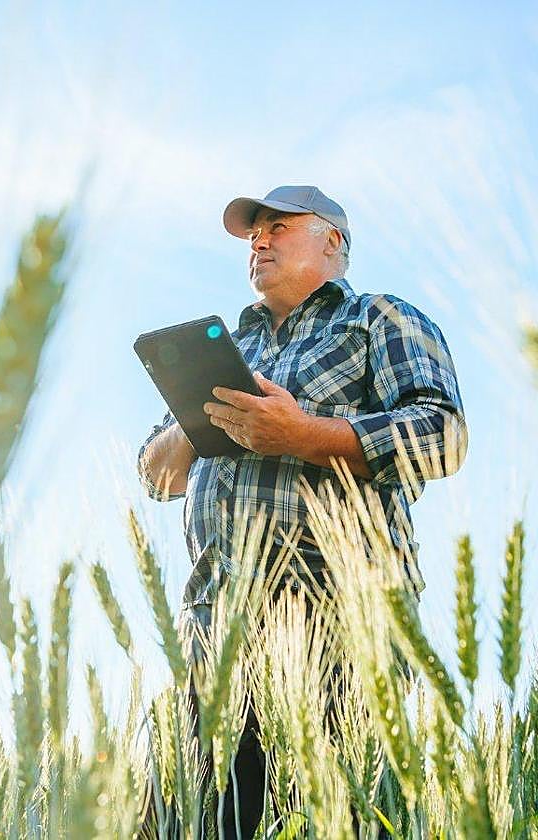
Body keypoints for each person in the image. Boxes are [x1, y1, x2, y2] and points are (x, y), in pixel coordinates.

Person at [135, 185, 467, 838]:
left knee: (329, 822)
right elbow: (155, 475)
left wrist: (302, 434)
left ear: (332, 242)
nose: (259, 240)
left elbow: (442, 434)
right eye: (253, 233)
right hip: (213, 637)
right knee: (186, 824)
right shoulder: (229, 348)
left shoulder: (379, 319)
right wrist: (198, 418)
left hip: (342, 631)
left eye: (278, 227)